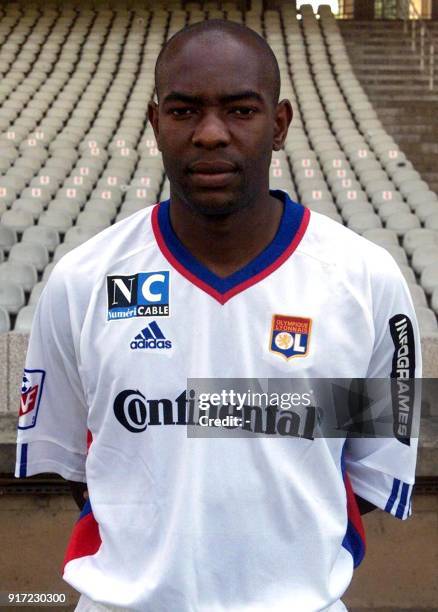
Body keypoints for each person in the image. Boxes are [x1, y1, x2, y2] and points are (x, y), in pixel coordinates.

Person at [15, 19, 421, 612]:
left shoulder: (366, 280)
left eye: (239, 110)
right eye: (183, 112)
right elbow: (82, 468)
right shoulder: (82, 281)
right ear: (155, 124)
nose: (210, 134)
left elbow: (365, 474)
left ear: (278, 124)